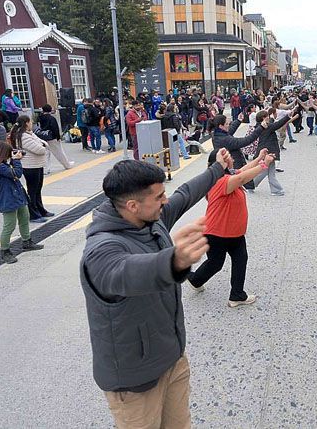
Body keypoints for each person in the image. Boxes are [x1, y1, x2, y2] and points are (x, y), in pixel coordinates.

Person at [80, 149, 230, 428]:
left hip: (172, 361)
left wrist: (217, 169)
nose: (166, 200)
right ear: (133, 206)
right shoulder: (101, 249)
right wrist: (174, 261)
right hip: (134, 382)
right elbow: (128, 273)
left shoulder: (152, 220)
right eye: (158, 197)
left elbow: (185, 193)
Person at [188, 149, 275, 305]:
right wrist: (264, 165)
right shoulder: (220, 181)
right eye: (225, 157)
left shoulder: (228, 175)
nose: (230, 157)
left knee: (238, 259)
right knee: (216, 263)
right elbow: (242, 178)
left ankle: (236, 294)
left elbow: (242, 171)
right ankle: (195, 279)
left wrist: (260, 158)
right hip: (218, 233)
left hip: (232, 232)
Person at [0, 141, 44, 264]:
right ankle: (5, 251)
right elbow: (16, 173)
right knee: (9, 225)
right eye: (8, 153)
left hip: (16, 195)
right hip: (7, 198)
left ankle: (27, 241)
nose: (10, 155)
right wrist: (16, 160)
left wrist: (13, 160)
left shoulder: (1, 164)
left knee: (24, 218)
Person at [9, 115, 53, 224]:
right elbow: (40, 149)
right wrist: (43, 145)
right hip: (30, 166)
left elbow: (44, 143)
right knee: (32, 191)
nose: (32, 123)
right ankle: (33, 214)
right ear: (26, 123)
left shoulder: (30, 134)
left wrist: (42, 144)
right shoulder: (23, 136)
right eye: (30, 122)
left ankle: (40, 209)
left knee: (38, 189)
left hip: (37, 165)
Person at [210, 113, 263, 191]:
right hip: (235, 165)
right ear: (221, 126)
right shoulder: (225, 139)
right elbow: (245, 141)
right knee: (243, 183)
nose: (229, 125)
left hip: (234, 165)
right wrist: (260, 128)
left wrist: (238, 121)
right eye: (227, 124)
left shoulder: (218, 135)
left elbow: (230, 130)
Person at [252, 109, 297, 196]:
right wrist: (287, 116)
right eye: (267, 116)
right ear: (263, 118)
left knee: (267, 171)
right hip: (269, 151)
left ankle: (253, 185)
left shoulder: (259, 126)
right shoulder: (267, 127)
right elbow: (277, 124)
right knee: (267, 171)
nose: (268, 117)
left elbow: (274, 124)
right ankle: (274, 190)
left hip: (265, 151)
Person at [38, 104, 74, 170]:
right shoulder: (51, 118)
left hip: (43, 137)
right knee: (59, 152)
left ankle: (46, 169)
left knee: (46, 153)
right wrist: (58, 137)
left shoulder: (40, 118)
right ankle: (67, 165)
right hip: (52, 137)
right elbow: (55, 128)